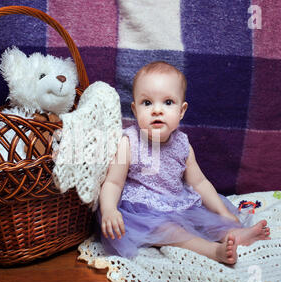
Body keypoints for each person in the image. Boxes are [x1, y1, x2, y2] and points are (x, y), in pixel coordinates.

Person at [97, 61, 270, 265]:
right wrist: (109, 209)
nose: (157, 110)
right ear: (134, 110)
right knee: (169, 230)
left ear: (181, 110)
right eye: (147, 103)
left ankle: (234, 234)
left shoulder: (183, 145)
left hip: (177, 203)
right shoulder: (129, 142)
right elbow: (113, 183)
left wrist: (222, 213)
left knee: (204, 219)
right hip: (143, 211)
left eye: (168, 102)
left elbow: (200, 184)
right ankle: (212, 251)